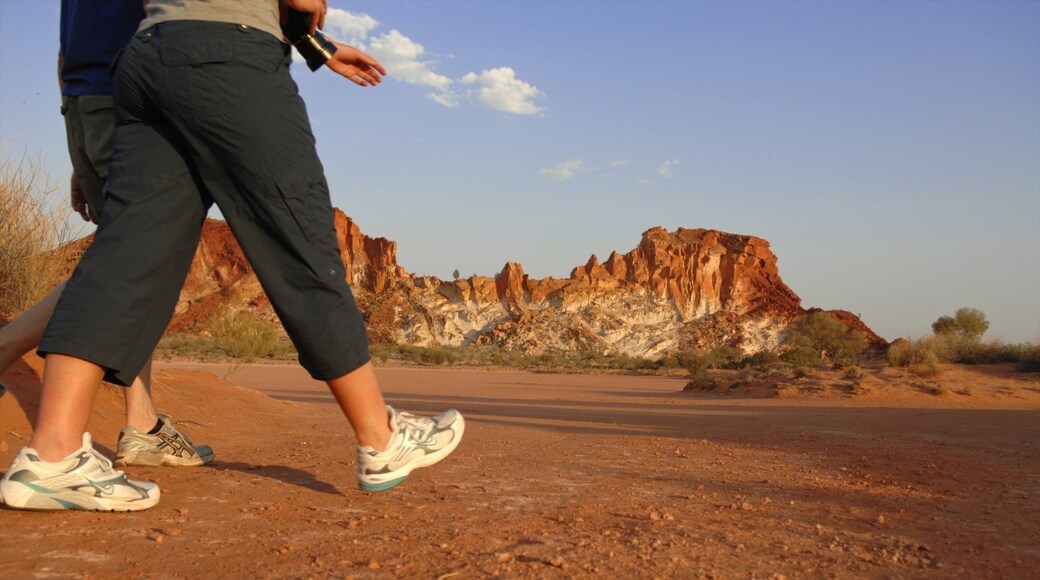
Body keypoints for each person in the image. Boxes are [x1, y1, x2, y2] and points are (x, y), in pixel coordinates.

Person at [0, 0, 464, 512]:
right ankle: (381, 439)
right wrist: (311, 24)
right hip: (228, 53)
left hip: (145, 57)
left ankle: (52, 456)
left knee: (124, 258)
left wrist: (317, 47)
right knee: (300, 241)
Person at [0, 0, 214, 469]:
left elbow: (67, 50)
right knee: (137, 259)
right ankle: (7, 347)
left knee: (135, 260)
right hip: (133, 103)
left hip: (83, 104)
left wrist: (79, 148)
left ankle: (143, 422)